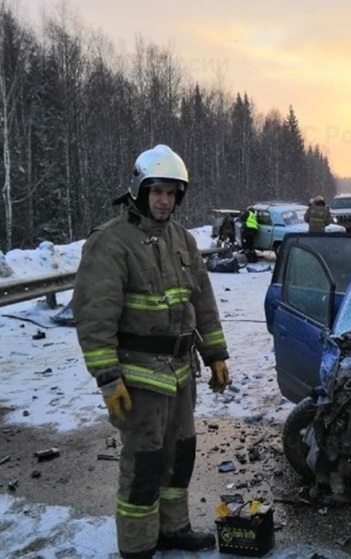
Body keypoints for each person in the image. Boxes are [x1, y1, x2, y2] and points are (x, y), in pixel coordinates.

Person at [72, 144, 231, 559]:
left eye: (172, 193)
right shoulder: (111, 241)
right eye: (157, 191)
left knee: (180, 455)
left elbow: (203, 302)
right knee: (144, 463)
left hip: (181, 370)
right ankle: (139, 546)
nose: (165, 200)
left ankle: (173, 528)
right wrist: (108, 378)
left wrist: (216, 354)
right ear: (140, 190)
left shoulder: (182, 238)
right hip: (138, 374)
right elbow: (95, 316)